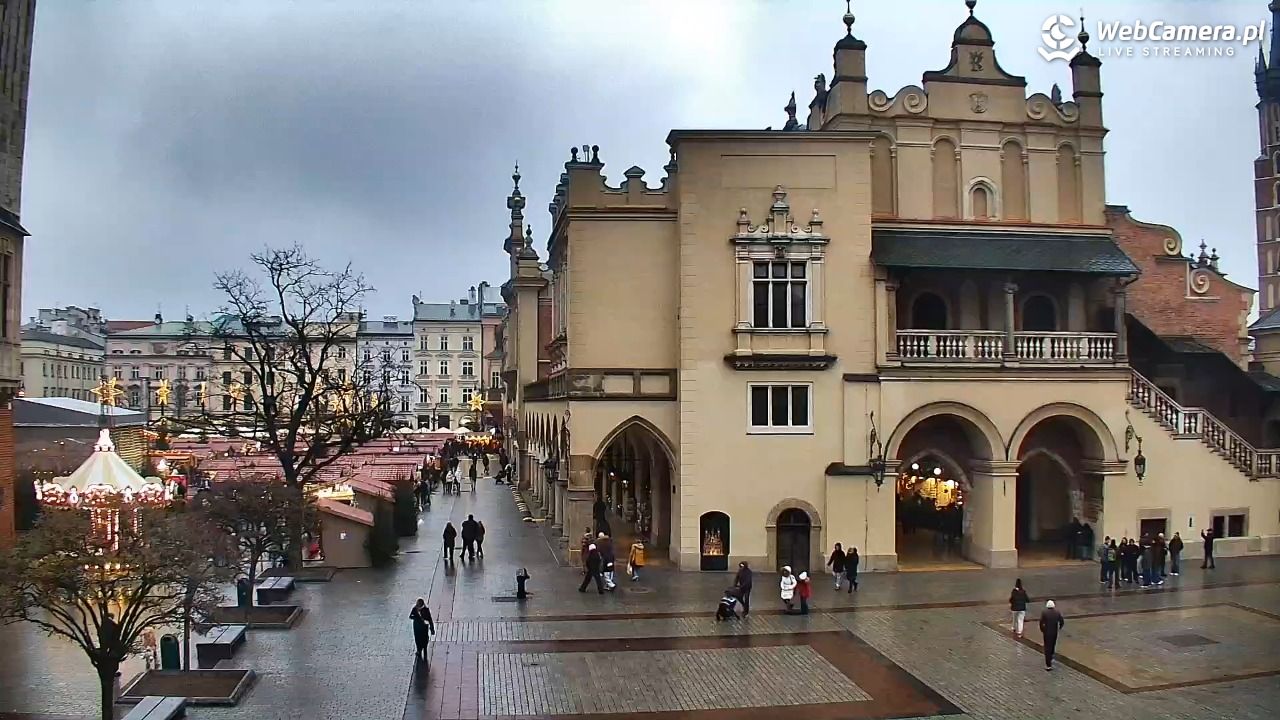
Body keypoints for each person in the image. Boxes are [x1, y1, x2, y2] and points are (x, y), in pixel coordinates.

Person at [1039, 599, 1065, 670]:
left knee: (1047, 647)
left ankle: (1048, 664)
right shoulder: (1057, 612)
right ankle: (1051, 656)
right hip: (1054, 632)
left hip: (1047, 632)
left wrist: (1042, 630)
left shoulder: (1044, 612)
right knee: (1053, 644)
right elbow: (1062, 621)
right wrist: (1059, 628)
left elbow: (1041, 622)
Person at [409, 598, 435, 663]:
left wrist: (432, 629)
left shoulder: (426, 610)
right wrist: (416, 617)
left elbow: (429, 619)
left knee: (425, 638)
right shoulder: (414, 609)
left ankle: (425, 649)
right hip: (417, 627)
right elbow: (410, 616)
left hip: (424, 627)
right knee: (417, 639)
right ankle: (419, 650)